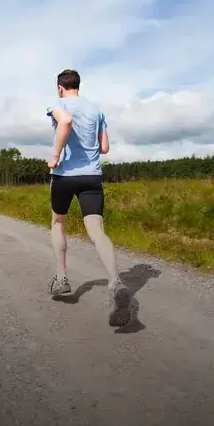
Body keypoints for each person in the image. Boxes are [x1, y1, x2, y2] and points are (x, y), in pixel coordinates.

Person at [45, 69, 131, 328]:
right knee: (97, 231)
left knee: (58, 223)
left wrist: (55, 156)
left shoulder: (57, 104)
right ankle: (115, 281)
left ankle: (61, 279)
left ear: (60, 87)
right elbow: (104, 147)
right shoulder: (97, 110)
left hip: (64, 176)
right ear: (78, 86)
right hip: (92, 177)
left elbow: (66, 122)